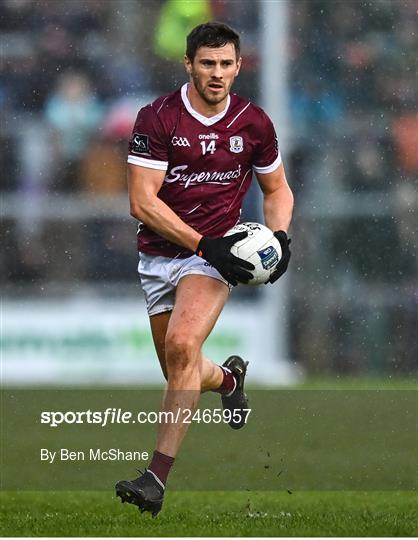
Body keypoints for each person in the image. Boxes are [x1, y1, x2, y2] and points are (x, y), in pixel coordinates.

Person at [115, 21, 294, 516]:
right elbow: (141, 202)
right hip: (160, 257)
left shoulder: (254, 123)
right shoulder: (157, 118)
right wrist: (201, 244)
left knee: (181, 346)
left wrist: (280, 238)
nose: (217, 74)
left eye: (226, 64)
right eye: (207, 63)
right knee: (181, 371)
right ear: (188, 64)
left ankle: (156, 478)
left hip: (217, 259)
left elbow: (277, 190)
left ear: (239, 66)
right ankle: (229, 380)